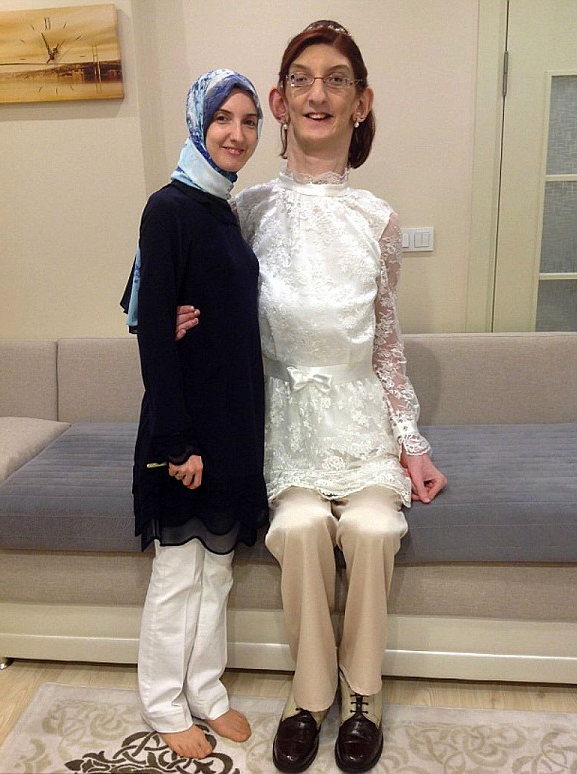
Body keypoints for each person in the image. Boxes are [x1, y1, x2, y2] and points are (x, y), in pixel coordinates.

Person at [176, 22, 447, 771]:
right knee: (297, 526)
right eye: (301, 78)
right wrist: (173, 320)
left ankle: (365, 697)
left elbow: (385, 344)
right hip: (284, 422)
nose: (317, 93)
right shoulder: (246, 212)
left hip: (361, 421)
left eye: (335, 80)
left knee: (372, 528)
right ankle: (309, 694)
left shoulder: (378, 220)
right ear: (279, 100)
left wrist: (412, 445)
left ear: (361, 103)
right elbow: (203, 315)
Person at [128, 68, 267, 761]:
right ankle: (163, 701)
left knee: (217, 571)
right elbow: (153, 331)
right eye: (223, 119)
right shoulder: (170, 207)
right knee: (179, 573)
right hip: (186, 424)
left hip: (232, 418)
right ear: (198, 123)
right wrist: (179, 442)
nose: (237, 134)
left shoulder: (223, 209)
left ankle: (206, 690)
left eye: (249, 121)